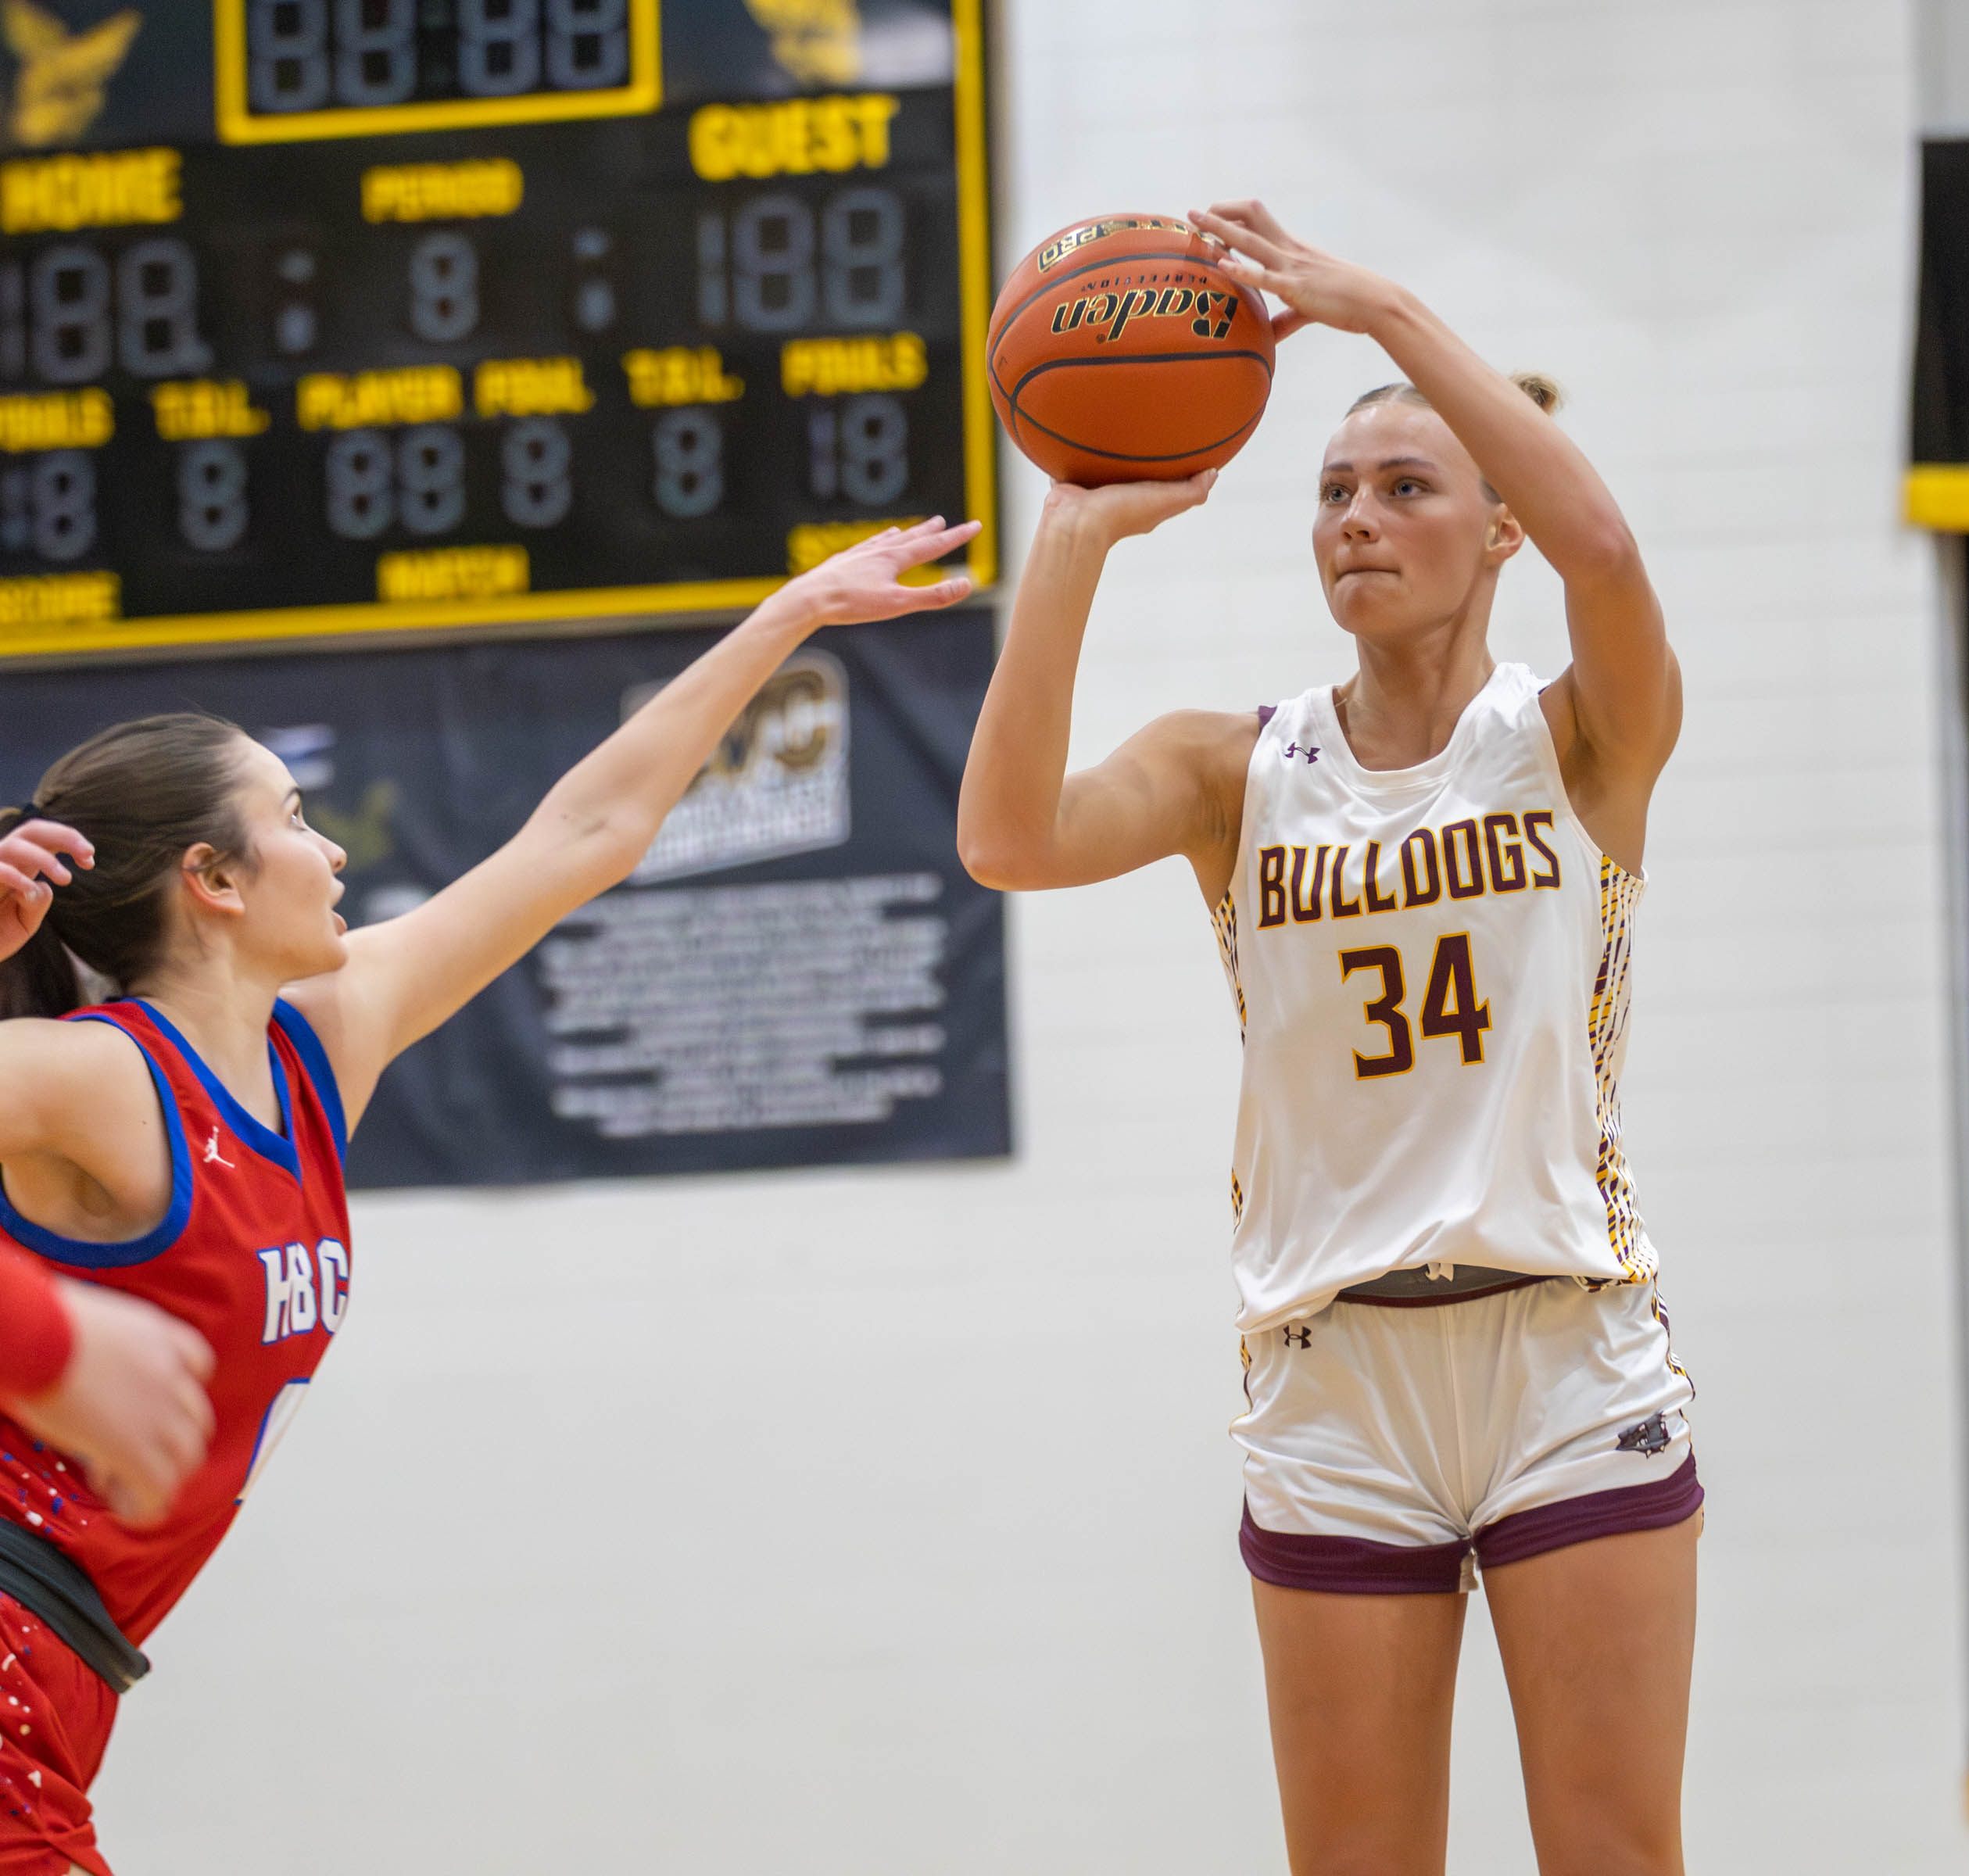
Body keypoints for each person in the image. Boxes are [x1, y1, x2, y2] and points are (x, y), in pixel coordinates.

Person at [0, 514, 980, 1875]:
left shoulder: (321, 1040)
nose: (332, 849)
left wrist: (792, 613)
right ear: (210, 881)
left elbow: (585, 831)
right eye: (294, 820)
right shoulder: (97, 1080)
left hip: (69, 1680)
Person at [959, 201, 1696, 1876]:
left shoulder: (1585, 737)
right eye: (1335, 492)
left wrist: (1375, 310)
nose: (1358, 518)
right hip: (1333, 1380)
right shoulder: (1237, 766)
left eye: (1408, 487)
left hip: (1565, 1358)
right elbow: (1005, 836)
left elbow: (1613, 555)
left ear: (1497, 531)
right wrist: (1072, 537)